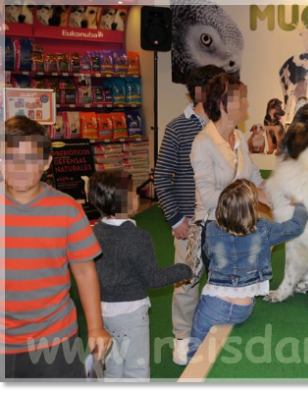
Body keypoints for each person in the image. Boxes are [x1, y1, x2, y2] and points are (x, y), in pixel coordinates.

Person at [2, 116, 110, 379]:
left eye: (30, 158)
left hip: (55, 336)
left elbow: (84, 272)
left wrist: (95, 327)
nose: (20, 167)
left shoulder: (67, 210)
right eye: (10, 157)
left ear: (47, 162)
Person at [187, 179, 308, 360]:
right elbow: (295, 226)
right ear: (252, 207)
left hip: (214, 304)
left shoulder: (211, 229)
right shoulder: (264, 229)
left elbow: (207, 257)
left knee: (195, 347)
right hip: (244, 308)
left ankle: (191, 366)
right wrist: (300, 205)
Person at [89, 171, 192, 381]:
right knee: (137, 371)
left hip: (103, 313)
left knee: (113, 367)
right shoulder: (137, 237)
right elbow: (153, 279)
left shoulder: (93, 232)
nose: (138, 196)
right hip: (131, 315)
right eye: (134, 193)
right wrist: (183, 269)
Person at [154, 64, 224, 365]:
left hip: (222, 224)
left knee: (220, 281)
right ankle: (182, 338)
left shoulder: (226, 126)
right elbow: (161, 177)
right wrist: (175, 219)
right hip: (189, 224)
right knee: (187, 283)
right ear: (201, 91)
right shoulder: (177, 127)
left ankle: (213, 333)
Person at [190, 71, 271, 226]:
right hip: (215, 230)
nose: (246, 104)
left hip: (241, 226)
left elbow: (256, 180)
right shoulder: (202, 142)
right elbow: (208, 198)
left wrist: (287, 186)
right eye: (240, 98)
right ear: (222, 104)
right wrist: (253, 195)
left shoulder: (239, 136)